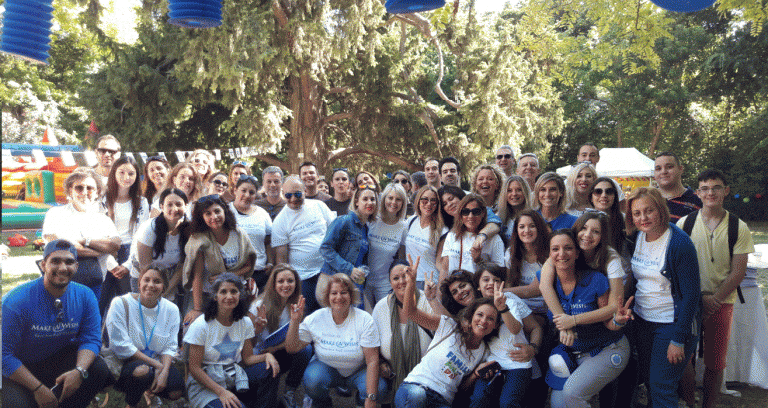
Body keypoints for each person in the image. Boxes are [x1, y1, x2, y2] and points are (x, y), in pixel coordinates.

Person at [677, 169, 754, 408]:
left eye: (716, 187)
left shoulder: (738, 227)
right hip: (690, 301)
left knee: (715, 360)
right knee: (684, 357)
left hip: (722, 302)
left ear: (726, 191)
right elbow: (677, 266)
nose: (711, 193)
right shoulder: (685, 223)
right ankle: (689, 403)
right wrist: (699, 298)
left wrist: (714, 300)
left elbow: (738, 271)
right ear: (698, 193)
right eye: (705, 188)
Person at [2, 240, 111, 408]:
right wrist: (38, 389)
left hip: (57, 361)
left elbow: (91, 339)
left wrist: (79, 371)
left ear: (76, 266)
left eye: (69, 262)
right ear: (43, 265)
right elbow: (4, 355)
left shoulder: (85, 295)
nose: (63, 268)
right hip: (21, 368)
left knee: (98, 368)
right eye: (55, 261)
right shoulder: (16, 301)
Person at [625, 187, 701, 408]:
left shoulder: (679, 243)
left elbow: (691, 296)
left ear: (660, 209)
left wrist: (678, 339)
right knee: (650, 382)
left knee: (662, 386)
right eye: (637, 213)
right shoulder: (638, 237)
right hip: (643, 321)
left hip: (671, 324)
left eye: (649, 210)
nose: (643, 217)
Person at [394, 256, 501, 408]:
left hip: (442, 400)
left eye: (490, 319)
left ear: (495, 326)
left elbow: (462, 389)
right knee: (418, 397)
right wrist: (411, 282)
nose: (483, 321)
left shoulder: (483, 352)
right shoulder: (449, 326)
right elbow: (411, 312)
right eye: (479, 315)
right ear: (470, 317)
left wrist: (475, 374)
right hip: (417, 387)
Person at [540, 229, 630, 408]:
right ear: (549, 255)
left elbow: (609, 323)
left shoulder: (595, 280)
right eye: (555, 249)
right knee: (558, 405)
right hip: (575, 353)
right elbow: (533, 289)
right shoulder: (547, 281)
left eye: (568, 248)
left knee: (572, 394)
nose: (561, 254)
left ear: (577, 253)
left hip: (606, 349)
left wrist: (618, 320)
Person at [285, 274, 388, 408]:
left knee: (379, 388)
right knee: (312, 380)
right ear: (327, 296)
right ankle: (323, 404)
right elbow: (291, 348)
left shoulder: (364, 319)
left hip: (358, 371)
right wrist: (294, 321)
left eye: (343, 292)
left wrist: (371, 397)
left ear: (351, 295)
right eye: (334, 293)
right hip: (327, 369)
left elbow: (372, 361)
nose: (338, 297)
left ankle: (361, 402)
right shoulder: (316, 318)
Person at [184, 273, 279, 408]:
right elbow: (194, 368)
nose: (229, 296)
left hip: (234, 376)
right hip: (206, 384)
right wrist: (221, 392)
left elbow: (248, 358)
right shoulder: (201, 325)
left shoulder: (245, 322)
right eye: (223, 292)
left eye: (234, 291)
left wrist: (267, 356)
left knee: (269, 368)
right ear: (215, 296)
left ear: (240, 295)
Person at [105, 267, 184, 408]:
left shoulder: (171, 310)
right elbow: (120, 345)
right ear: (139, 283)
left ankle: (149, 391)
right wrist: (157, 365)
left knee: (175, 392)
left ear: (164, 288)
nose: (151, 285)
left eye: (157, 281)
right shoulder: (120, 303)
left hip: (156, 360)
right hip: (125, 361)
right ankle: (131, 404)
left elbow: (170, 346)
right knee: (142, 371)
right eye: (146, 280)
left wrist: (164, 371)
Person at [470, 264, 542, 408]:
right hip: (492, 362)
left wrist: (502, 308)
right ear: (478, 286)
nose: (491, 283)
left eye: (496, 280)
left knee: (507, 403)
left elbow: (517, 329)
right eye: (486, 280)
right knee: (478, 399)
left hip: (517, 363)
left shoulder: (510, 300)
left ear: (502, 284)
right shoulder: (476, 306)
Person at [43, 169, 120, 298]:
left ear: (97, 192)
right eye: (79, 188)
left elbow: (115, 245)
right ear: (70, 191)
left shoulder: (103, 220)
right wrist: (100, 251)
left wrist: (84, 241)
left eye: (90, 188)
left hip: (94, 283)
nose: (84, 192)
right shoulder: (55, 214)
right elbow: (60, 247)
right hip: (60, 283)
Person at [182, 194, 257, 326]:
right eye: (208, 213)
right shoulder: (199, 240)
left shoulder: (238, 234)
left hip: (234, 295)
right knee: (191, 329)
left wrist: (227, 276)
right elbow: (197, 276)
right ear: (202, 217)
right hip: (207, 296)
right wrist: (197, 309)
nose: (214, 217)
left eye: (217, 211)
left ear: (225, 211)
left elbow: (248, 266)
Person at [248, 265, 312, 408]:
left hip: (279, 350)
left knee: (305, 349)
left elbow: (295, 340)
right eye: (280, 281)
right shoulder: (259, 305)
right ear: (273, 284)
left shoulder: (297, 304)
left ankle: (289, 391)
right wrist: (257, 330)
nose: (286, 285)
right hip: (258, 355)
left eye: (290, 281)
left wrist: (275, 348)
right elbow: (247, 344)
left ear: (296, 284)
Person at [272, 175, 336, 312]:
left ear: (305, 191)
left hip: (328, 271)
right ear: (283, 194)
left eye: (297, 194)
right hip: (303, 278)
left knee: (333, 312)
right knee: (309, 317)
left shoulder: (319, 206)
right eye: (288, 195)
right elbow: (281, 259)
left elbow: (335, 234)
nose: (293, 199)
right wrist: (287, 284)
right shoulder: (279, 221)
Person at [371, 260, 435, 392]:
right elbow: (372, 344)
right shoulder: (381, 307)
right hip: (391, 376)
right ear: (390, 283)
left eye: (405, 276)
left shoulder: (427, 301)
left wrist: (433, 299)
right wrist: (381, 363)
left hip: (425, 376)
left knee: (416, 395)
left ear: (413, 277)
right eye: (396, 278)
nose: (401, 281)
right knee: (378, 388)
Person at [101, 155, 150, 315]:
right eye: (121, 172)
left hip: (131, 254)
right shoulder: (102, 200)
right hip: (104, 253)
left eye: (131, 173)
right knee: (100, 303)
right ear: (114, 173)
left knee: (129, 306)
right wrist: (110, 263)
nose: (126, 177)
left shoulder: (141, 202)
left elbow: (140, 235)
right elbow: (98, 231)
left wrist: (128, 265)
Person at [127, 188, 191, 302]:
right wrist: (152, 296)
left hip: (169, 279)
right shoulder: (150, 228)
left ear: (186, 206)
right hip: (144, 279)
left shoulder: (188, 230)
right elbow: (145, 267)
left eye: (178, 204)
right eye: (169, 205)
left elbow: (182, 267)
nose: (174, 209)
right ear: (161, 207)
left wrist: (165, 291)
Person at [320, 186, 378, 302]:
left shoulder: (365, 228)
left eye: (372, 199)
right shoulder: (344, 221)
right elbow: (325, 248)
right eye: (365, 199)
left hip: (352, 285)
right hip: (333, 282)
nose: (369, 202)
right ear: (356, 202)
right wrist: (349, 269)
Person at [439, 195, 505, 279]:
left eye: (476, 212)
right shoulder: (452, 235)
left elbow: (500, 273)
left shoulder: (494, 239)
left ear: (483, 213)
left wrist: (479, 261)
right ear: (460, 214)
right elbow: (445, 269)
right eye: (466, 212)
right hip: (455, 286)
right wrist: (440, 287)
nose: (470, 216)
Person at [366, 183, 409, 305]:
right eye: (390, 198)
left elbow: (401, 258)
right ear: (384, 199)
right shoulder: (372, 220)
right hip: (364, 280)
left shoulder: (403, 227)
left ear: (403, 203)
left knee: (386, 313)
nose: (393, 202)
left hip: (385, 282)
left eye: (398, 199)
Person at [230, 175, 273, 292]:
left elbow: (268, 241)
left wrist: (270, 263)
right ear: (235, 190)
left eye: (252, 192)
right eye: (243, 190)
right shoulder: (226, 212)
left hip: (259, 272)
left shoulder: (262, 214)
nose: (247, 195)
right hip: (233, 273)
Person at [405, 186, 448, 290]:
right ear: (418, 201)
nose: (429, 204)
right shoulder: (411, 221)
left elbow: (440, 263)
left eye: (433, 201)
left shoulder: (442, 230)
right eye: (424, 200)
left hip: (428, 282)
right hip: (409, 278)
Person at [653, 152, 702, 222]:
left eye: (669, 167)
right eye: (658, 168)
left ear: (681, 169)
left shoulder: (698, 200)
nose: (663, 172)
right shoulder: (648, 198)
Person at [589, 177, 626, 251]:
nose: (604, 195)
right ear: (591, 198)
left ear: (615, 196)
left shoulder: (625, 219)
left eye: (609, 191)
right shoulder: (583, 220)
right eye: (598, 191)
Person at [496, 175, 532, 241]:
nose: (514, 194)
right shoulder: (498, 217)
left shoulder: (534, 216)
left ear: (525, 192)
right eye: (509, 190)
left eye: (519, 190)